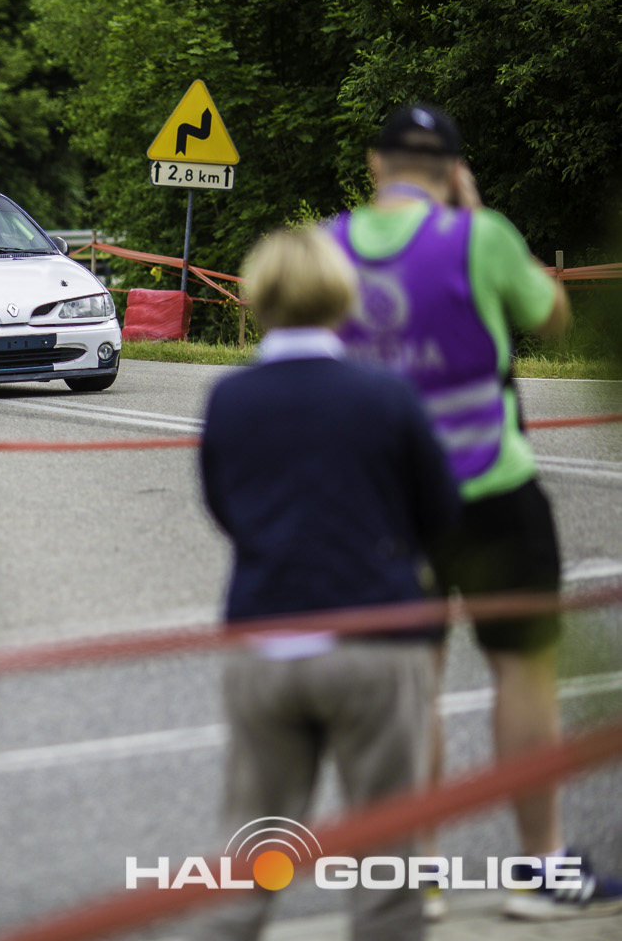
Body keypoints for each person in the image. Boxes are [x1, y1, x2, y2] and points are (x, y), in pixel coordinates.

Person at [330, 104, 622, 921]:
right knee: (523, 674)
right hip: (494, 491)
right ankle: (539, 870)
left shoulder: (327, 246)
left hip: (389, 508)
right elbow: (551, 316)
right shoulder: (478, 237)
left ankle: (416, 879)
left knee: (410, 688)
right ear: (453, 170)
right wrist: (479, 214)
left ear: (375, 164)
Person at [195, 228, 461, 941]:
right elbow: (440, 511)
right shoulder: (386, 394)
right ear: (343, 297)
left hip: (264, 636)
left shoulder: (230, 398)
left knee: (249, 844)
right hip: (374, 637)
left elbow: (223, 504)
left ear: (258, 298)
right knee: (386, 855)